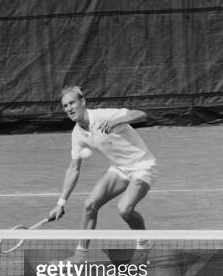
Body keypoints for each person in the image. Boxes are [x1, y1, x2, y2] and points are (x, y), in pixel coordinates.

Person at [48, 85, 157, 262]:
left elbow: (140, 114)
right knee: (90, 204)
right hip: (119, 169)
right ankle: (80, 255)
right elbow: (74, 168)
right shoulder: (77, 134)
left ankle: (144, 242)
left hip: (142, 166)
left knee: (124, 209)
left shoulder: (102, 116)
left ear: (82, 102)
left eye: (72, 103)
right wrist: (61, 203)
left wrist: (117, 121)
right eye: (65, 106)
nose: (69, 108)